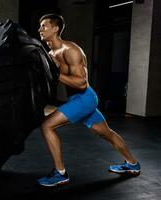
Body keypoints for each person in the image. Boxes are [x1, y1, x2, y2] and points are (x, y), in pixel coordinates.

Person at [37, 13, 140, 187]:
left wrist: (56, 73)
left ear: (55, 29)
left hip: (84, 98)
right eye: (40, 26)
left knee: (47, 126)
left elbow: (82, 83)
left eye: (44, 26)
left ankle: (60, 174)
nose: (40, 29)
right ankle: (132, 164)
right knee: (105, 133)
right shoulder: (51, 52)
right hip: (79, 99)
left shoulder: (71, 50)